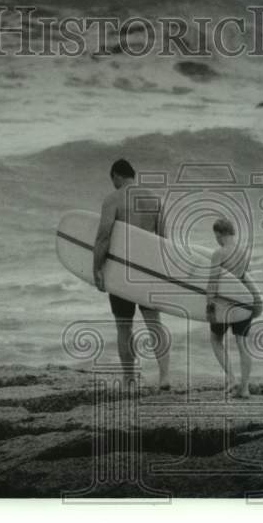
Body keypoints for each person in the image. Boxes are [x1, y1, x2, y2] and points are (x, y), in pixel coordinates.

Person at [92, 158, 170, 389]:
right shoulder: (155, 199)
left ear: (116, 176)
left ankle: (129, 379)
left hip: (122, 271)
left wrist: (97, 267)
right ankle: (164, 376)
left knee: (124, 325)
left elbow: (103, 236)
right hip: (148, 269)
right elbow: (164, 242)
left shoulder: (113, 199)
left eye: (113, 180)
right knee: (154, 324)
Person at [206, 217, 263, 399]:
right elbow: (245, 278)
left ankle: (231, 379)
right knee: (242, 344)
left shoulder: (219, 253)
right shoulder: (244, 251)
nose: (216, 239)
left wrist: (209, 306)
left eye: (215, 235)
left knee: (215, 340)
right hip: (243, 302)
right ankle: (244, 388)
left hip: (224, 304)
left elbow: (213, 282)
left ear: (219, 234)